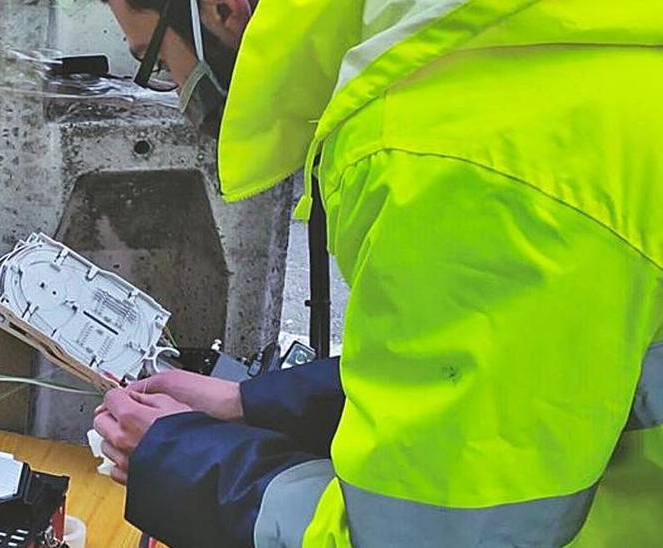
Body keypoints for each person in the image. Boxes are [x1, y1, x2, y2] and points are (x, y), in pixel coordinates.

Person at [94, 1, 663, 546]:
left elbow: (427, 535)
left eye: (157, 61)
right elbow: (532, 373)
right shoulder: (568, 52)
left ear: (221, 10)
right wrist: (252, 403)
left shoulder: (453, 151)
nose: (175, 87)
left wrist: (180, 458)